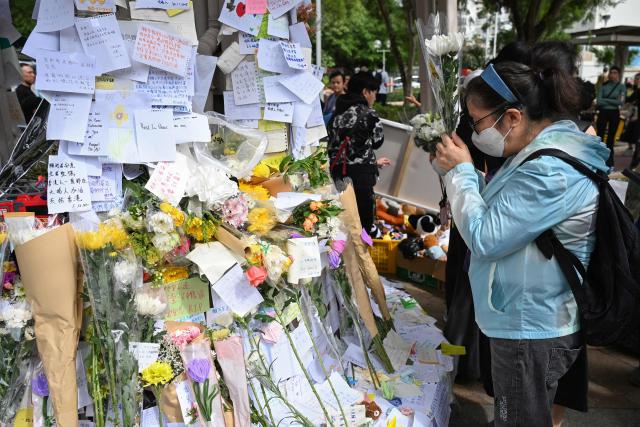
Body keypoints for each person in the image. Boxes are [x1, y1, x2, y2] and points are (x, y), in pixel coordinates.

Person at [435, 55, 609, 426]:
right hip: (525, 319)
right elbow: (503, 214)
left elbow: (485, 237)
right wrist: (468, 178)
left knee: (516, 420)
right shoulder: (536, 154)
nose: (475, 131)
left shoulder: (550, 170)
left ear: (512, 117)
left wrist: (461, 173)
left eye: (477, 121)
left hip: (530, 328)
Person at [328, 71, 391, 235]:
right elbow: (378, 142)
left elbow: (333, 143)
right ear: (365, 92)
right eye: (374, 93)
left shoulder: (338, 112)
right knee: (362, 223)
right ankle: (361, 256)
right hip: (361, 178)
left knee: (342, 221)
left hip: (338, 175)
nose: (375, 98)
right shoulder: (369, 114)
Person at [596, 65, 626, 166]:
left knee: (611, 137)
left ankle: (609, 160)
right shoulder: (603, 86)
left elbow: (621, 103)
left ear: (618, 74)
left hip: (614, 113)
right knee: (599, 135)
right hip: (603, 112)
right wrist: (614, 101)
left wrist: (606, 100)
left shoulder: (621, 87)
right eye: (611, 72)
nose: (612, 75)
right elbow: (599, 102)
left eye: (615, 73)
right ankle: (597, 157)